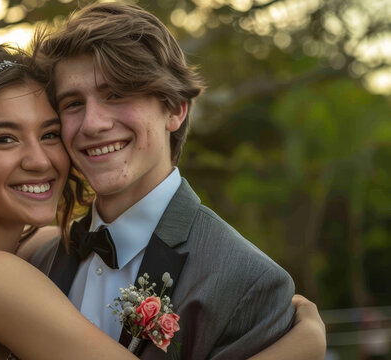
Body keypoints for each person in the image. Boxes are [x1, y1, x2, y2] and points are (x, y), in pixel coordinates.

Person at [0, 46, 324, 360]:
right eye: (4, 139)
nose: (40, 161)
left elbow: (72, 240)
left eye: (49, 133)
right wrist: (302, 348)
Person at [28, 3, 324, 359]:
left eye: (116, 94)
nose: (92, 124)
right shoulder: (37, 263)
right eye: (73, 103)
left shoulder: (248, 281)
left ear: (175, 108)